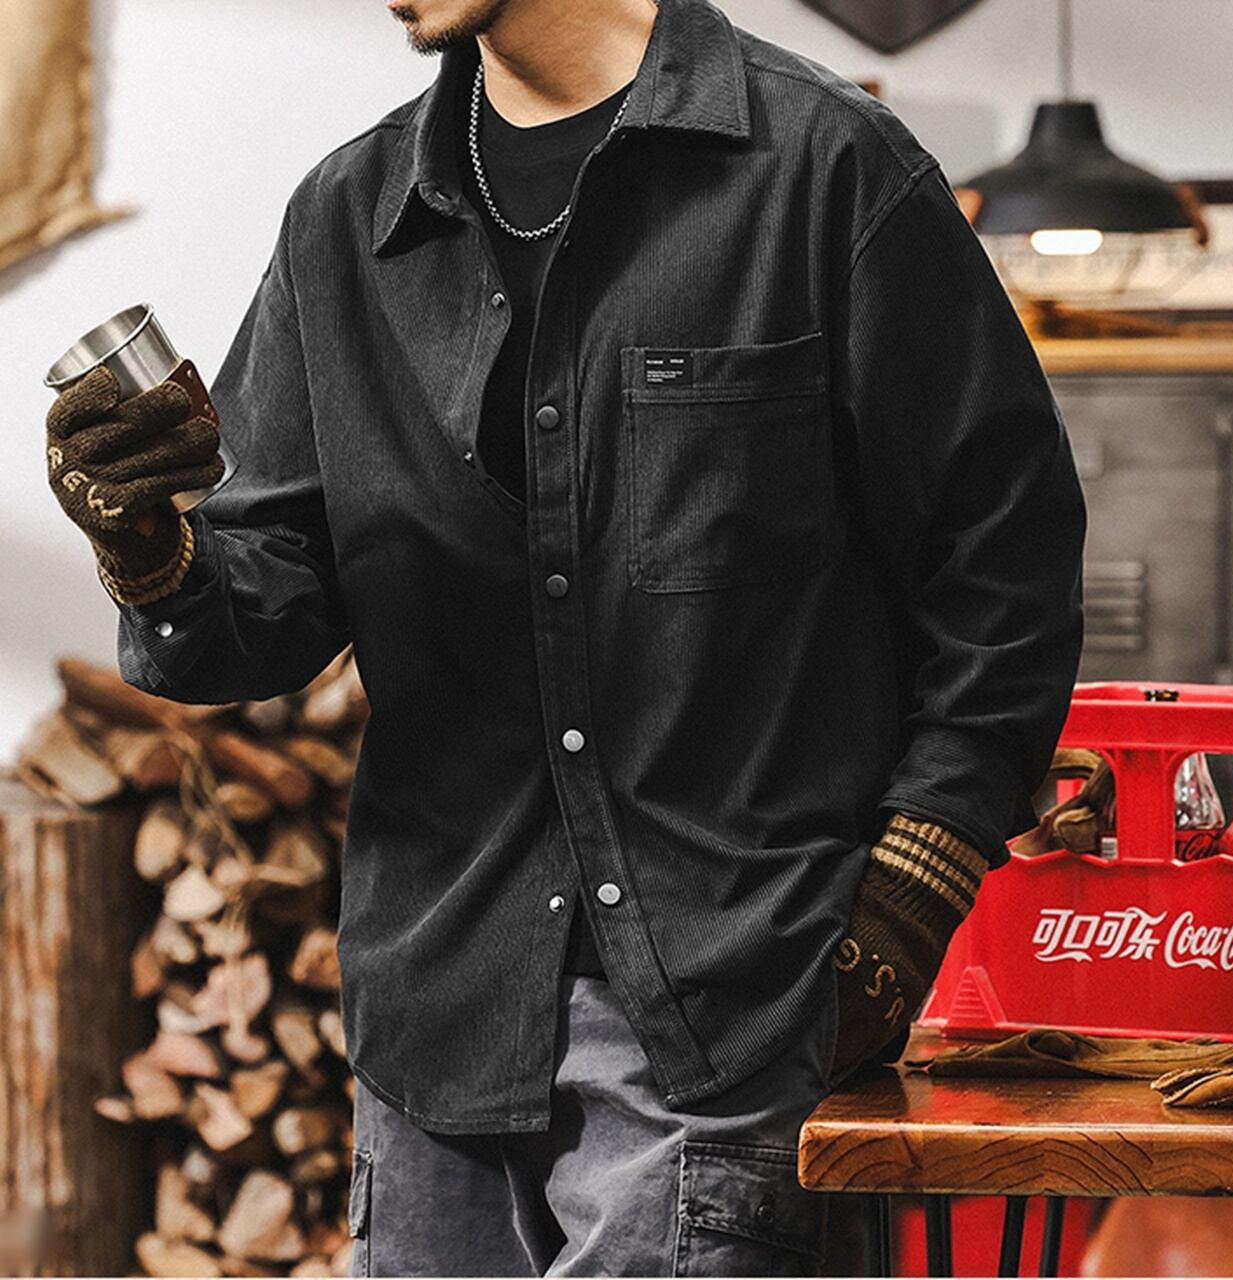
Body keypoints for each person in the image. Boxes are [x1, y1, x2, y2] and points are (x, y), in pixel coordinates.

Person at [44, 0, 1086, 1272]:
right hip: (437, 1032)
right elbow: (257, 618)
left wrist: (913, 887)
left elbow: (1004, 567)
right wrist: (148, 547)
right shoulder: (347, 219)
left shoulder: (824, 170)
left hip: (727, 1019)